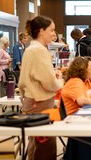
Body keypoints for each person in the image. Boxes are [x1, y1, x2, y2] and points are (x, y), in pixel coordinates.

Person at [18, 16, 63, 160]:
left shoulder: (32, 48)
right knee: (44, 147)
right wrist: (61, 80)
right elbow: (49, 83)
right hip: (40, 103)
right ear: (41, 31)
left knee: (36, 145)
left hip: (33, 101)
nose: (54, 34)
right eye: (52, 30)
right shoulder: (39, 51)